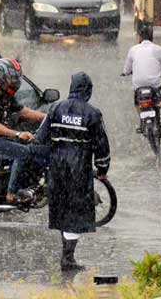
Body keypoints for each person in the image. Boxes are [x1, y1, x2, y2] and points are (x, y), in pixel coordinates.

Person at [29, 72, 110, 271]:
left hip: (57, 167)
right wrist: (102, 169)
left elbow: (41, 137)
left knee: (62, 208)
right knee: (75, 211)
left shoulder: (56, 108)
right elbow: (102, 146)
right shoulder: (92, 113)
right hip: (79, 168)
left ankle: (67, 255)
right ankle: (68, 258)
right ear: (88, 90)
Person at [0, 59, 47, 203]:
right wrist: (17, 134)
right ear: (1, 78)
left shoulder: (6, 95)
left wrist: (49, 118)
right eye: (12, 78)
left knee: (36, 147)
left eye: (16, 78)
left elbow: (24, 111)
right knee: (23, 153)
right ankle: (12, 193)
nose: (15, 81)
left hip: (2, 138)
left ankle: (29, 185)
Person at [122, 28, 161, 126]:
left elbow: (126, 70)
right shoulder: (157, 49)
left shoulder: (133, 49)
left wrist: (125, 73)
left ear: (140, 38)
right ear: (152, 38)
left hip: (139, 84)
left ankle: (142, 121)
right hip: (154, 84)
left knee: (137, 101)